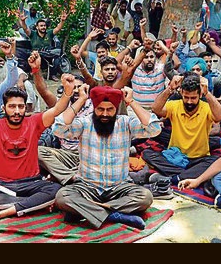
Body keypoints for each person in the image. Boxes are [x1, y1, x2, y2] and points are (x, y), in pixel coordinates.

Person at [0, 66, 78, 225]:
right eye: (12, 106)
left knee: (56, 190)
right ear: (4, 108)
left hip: (32, 183)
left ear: (25, 107)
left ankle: (6, 212)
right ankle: (33, 204)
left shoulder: (35, 122)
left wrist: (68, 91)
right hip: (2, 187)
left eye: (20, 106)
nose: (17, 111)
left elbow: (57, 109)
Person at [51, 85, 162, 229]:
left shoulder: (126, 122)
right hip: (87, 186)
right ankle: (114, 215)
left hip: (119, 187)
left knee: (145, 197)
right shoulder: (84, 123)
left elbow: (154, 129)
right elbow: (58, 128)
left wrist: (132, 102)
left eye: (110, 110)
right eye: (100, 109)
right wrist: (81, 100)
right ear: (94, 108)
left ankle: (85, 212)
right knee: (63, 197)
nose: (104, 114)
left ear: (116, 109)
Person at [141, 72, 221, 184]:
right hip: (175, 157)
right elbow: (156, 109)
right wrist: (170, 89)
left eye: (193, 98)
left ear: (200, 95)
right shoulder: (175, 105)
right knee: (147, 153)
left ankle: (174, 178)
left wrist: (207, 93)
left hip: (198, 159)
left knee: (216, 161)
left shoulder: (206, 108)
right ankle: (188, 174)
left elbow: (220, 116)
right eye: (186, 97)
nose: (189, 101)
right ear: (181, 93)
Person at [18, 13, 67, 81]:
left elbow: (58, 28)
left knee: (57, 58)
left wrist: (62, 21)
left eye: (44, 26)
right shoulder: (32, 34)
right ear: (37, 27)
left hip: (47, 54)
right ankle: (33, 74)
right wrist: (23, 21)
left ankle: (52, 75)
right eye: (41, 26)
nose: (43, 27)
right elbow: (25, 28)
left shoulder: (49, 33)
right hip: (36, 55)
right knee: (31, 55)